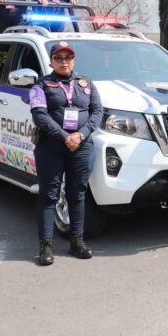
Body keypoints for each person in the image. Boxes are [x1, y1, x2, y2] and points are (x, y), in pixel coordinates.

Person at [29, 41, 103, 266]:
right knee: (49, 195)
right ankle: (45, 246)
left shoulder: (86, 82)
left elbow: (97, 111)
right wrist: (64, 136)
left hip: (82, 145)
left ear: (74, 60)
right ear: (51, 61)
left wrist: (80, 134)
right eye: (59, 58)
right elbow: (39, 115)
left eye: (68, 58)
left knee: (77, 193)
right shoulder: (41, 85)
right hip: (51, 146)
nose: (64, 62)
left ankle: (76, 242)